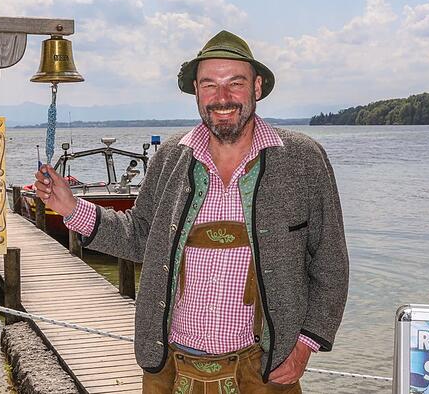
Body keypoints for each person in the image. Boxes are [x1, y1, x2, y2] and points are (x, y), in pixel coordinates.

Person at [34, 30, 348, 392]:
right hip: (169, 370)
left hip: (264, 374)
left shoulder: (303, 160)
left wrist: (305, 345)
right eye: (209, 85)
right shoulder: (171, 156)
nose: (222, 97)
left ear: (257, 88)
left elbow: (330, 264)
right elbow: (139, 236)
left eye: (236, 83)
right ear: (196, 92)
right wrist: (71, 207)